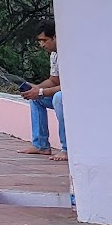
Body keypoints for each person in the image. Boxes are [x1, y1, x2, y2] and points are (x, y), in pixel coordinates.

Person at [20, 21, 66, 158]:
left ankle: (67, 149)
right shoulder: (54, 55)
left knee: (59, 98)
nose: (42, 45)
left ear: (55, 37)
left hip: (76, 95)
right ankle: (40, 145)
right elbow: (54, 81)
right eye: (40, 41)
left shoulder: (70, 54)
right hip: (64, 91)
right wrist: (36, 89)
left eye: (45, 40)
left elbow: (70, 86)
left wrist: (40, 92)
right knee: (36, 99)